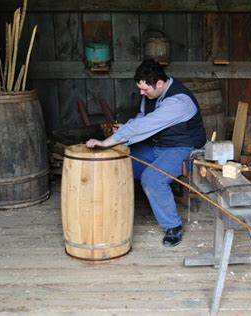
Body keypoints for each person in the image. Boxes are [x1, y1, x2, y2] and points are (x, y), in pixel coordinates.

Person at [86, 59, 207, 247]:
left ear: (159, 83)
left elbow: (145, 125)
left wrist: (105, 142)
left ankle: (173, 227)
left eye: (145, 90)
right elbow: (143, 118)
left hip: (184, 149)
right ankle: (111, 212)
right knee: (119, 161)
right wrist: (126, 127)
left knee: (152, 179)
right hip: (158, 146)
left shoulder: (178, 101)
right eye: (140, 89)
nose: (141, 93)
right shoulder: (151, 94)